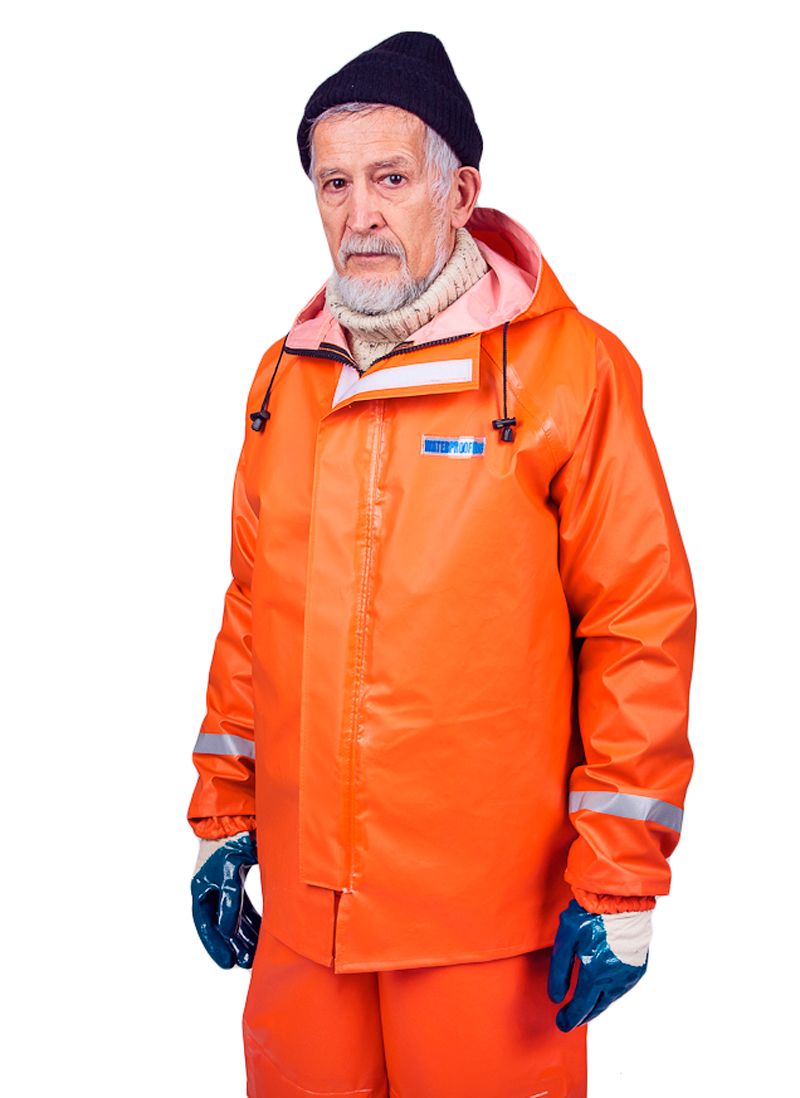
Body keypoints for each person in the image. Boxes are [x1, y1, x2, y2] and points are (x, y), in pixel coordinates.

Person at [187, 30, 697, 1098]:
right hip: (305, 927)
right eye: (334, 183)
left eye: (389, 178)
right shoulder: (284, 379)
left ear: (458, 192)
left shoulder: (567, 372)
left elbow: (638, 624)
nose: (358, 214)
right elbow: (252, 611)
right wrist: (225, 817)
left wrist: (618, 878)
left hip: (485, 930)